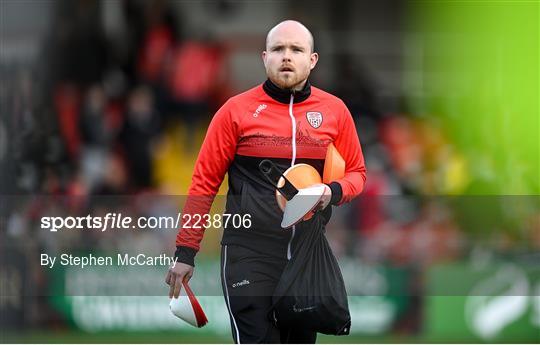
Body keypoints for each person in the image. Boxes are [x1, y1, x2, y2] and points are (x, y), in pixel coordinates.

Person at [165, 20, 366, 343]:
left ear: (312, 60)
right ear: (264, 57)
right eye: (278, 49)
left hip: (305, 255)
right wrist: (185, 252)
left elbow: (357, 173)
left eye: (296, 49)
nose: (287, 56)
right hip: (248, 254)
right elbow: (204, 183)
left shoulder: (335, 112)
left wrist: (332, 191)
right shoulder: (234, 112)